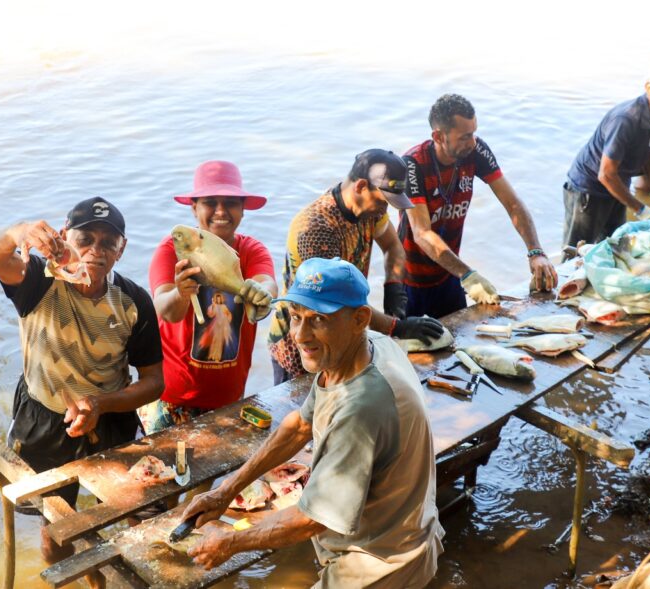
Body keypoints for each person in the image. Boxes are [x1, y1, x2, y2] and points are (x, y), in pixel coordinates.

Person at [183, 257, 444, 588]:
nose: (300, 336)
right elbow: (300, 426)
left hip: (381, 565)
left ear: (360, 319)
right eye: (295, 317)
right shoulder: (363, 348)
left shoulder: (361, 408)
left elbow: (311, 519)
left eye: (319, 319)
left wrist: (230, 542)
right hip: (403, 531)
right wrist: (226, 490)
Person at [0, 196, 164, 570]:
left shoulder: (133, 300)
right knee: (55, 528)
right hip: (46, 417)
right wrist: (18, 231)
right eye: (85, 240)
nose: (94, 252)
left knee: (127, 510)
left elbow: (154, 382)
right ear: (64, 237)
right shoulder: (36, 280)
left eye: (107, 243)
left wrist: (102, 404)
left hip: (111, 416)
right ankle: (64, 575)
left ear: (121, 250)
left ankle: (120, 570)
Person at [266, 149, 444, 384]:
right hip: (303, 345)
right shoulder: (316, 229)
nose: (385, 210)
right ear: (361, 187)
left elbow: (393, 246)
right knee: (303, 413)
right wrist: (396, 327)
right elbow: (338, 303)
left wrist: (394, 289)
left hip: (339, 336)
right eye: (384, 202)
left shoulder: (369, 211)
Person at [146, 161, 276, 433]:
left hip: (230, 398)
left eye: (230, 202)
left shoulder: (252, 251)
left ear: (242, 209)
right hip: (173, 399)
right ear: (194, 208)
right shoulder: (172, 249)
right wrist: (181, 293)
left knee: (218, 472)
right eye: (210, 202)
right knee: (165, 473)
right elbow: (164, 309)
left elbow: (268, 286)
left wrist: (262, 293)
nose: (220, 211)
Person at [399, 93, 558, 318]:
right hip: (409, 280)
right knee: (406, 349)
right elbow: (422, 233)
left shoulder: (476, 152)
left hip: (449, 273)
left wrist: (536, 251)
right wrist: (469, 276)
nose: (472, 142)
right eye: (464, 137)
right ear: (438, 136)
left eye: (474, 133)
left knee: (459, 340)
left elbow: (512, 203)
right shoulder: (412, 164)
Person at [563, 56, 650, 250]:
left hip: (618, 187)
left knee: (615, 248)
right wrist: (641, 209)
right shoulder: (626, 119)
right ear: (649, 87)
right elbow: (606, 174)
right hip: (588, 189)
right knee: (576, 253)